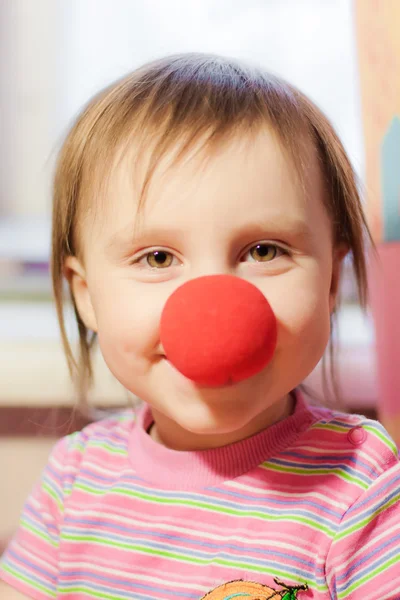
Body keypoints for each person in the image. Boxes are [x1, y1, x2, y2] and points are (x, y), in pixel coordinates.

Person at [1, 53, 399, 600]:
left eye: (264, 250)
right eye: (158, 258)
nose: (215, 307)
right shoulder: (74, 481)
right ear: (87, 296)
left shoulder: (363, 482)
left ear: (332, 282)